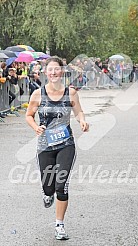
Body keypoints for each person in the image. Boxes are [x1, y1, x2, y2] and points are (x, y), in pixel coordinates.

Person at [26, 56, 89, 240]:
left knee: (61, 185)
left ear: (62, 71)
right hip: (45, 145)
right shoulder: (37, 94)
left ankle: (59, 225)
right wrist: (35, 127)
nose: (53, 73)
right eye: (50, 70)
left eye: (56, 69)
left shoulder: (71, 93)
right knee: (48, 187)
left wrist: (83, 121)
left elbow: (79, 112)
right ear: (45, 72)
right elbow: (29, 115)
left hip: (66, 144)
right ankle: (47, 194)